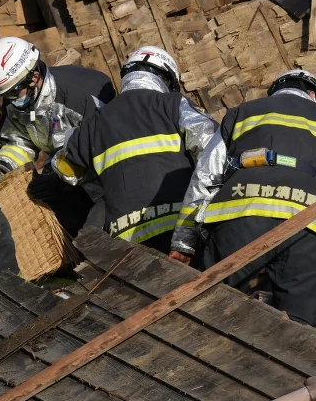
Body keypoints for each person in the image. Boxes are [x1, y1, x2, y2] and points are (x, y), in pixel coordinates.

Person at [169, 69, 316, 327]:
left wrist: (184, 244)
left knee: (214, 310)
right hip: (308, 222)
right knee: (301, 326)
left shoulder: (242, 112)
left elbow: (204, 176)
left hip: (239, 211)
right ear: (312, 94)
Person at [51, 47, 216, 253]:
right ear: (164, 79)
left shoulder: (93, 123)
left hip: (126, 242)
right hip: (181, 229)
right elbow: (212, 147)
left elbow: (65, 171)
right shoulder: (172, 104)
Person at [0, 36, 115, 236]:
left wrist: (61, 181)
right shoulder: (18, 103)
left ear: (33, 77)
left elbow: (101, 151)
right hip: (61, 167)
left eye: (14, 93)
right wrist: (3, 168)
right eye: (5, 95)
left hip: (106, 181)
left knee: (93, 236)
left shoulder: (79, 99)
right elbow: (17, 143)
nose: (10, 100)